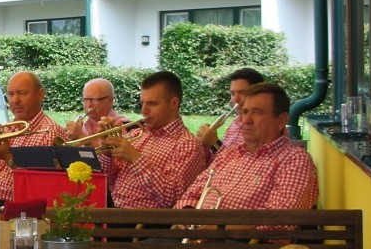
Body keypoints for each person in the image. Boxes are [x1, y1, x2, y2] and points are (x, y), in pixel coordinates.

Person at [178, 82, 318, 214]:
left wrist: (215, 227)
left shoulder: (295, 160)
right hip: (196, 228)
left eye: (256, 112)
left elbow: (279, 220)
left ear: (281, 120)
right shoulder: (230, 153)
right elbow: (189, 195)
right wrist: (187, 219)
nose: (246, 120)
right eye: (245, 112)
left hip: (235, 232)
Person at [99, 71, 209, 209]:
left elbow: (172, 198)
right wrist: (107, 153)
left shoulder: (187, 145)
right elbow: (109, 182)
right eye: (142, 103)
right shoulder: (137, 134)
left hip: (145, 219)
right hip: (113, 211)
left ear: (173, 103)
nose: (144, 110)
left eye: (152, 103)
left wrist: (135, 159)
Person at [0, 72, 67, 203]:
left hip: (17, 207)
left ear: (40, 95)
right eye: (10, 94)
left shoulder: (49, 132)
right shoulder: (2, 129)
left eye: (22, 93)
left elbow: (41, 185)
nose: (15, 101)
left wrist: (8, 157)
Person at [196, 67, 264, 153]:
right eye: (232, 93)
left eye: (242, 92)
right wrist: (205, 146)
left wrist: (214, 143)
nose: (236, 99)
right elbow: (218, 158)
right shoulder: (234, 124)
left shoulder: (261, 127)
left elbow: (241, 160)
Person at [64, 78, 127, 145]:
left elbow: (114, 151)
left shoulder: (122, 125)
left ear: (110, 100)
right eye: (85, 99)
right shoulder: (85, 126)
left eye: (94, 99)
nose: (89, 105)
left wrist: (81, 136)